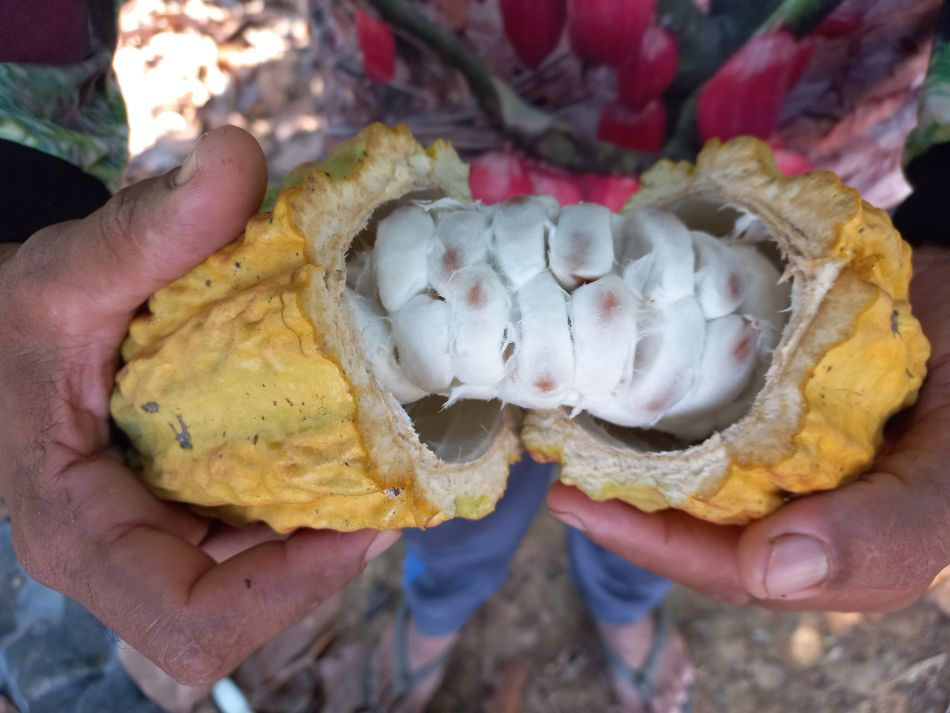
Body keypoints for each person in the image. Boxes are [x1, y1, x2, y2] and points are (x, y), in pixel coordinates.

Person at [0, 2, 949, 713]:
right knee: (451, 519)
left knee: (649, 526)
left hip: (809, 123)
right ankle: (438, 612)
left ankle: (623, 606)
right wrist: (18, 196)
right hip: (433, 84)